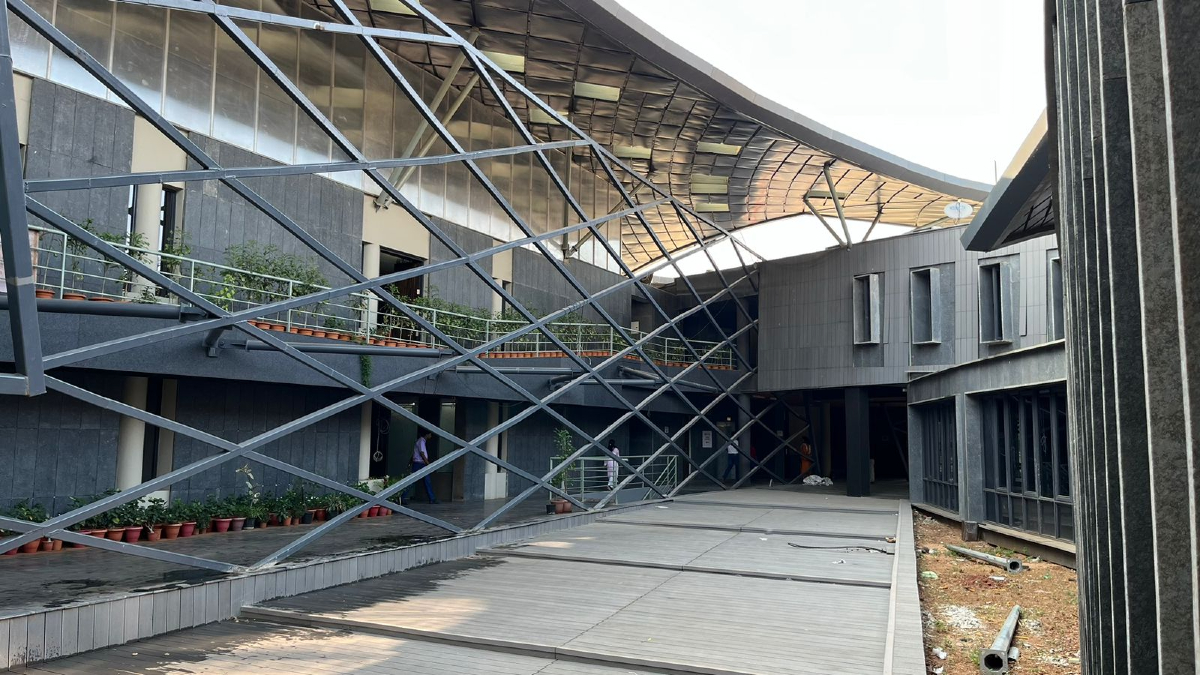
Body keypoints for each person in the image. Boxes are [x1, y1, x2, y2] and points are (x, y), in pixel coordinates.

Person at [404, 430, 439, 504]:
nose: (431, 436)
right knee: (415, 481)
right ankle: (402, 497)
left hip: (419, 463)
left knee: (425, 481)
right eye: (430, 434)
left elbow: (414, 454)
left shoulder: (420, 441)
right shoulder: (421, 441)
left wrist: (410, 463)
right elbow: (422, 454)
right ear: (427, 434)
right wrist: (428, 464)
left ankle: (432, 498)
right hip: (420, 464)